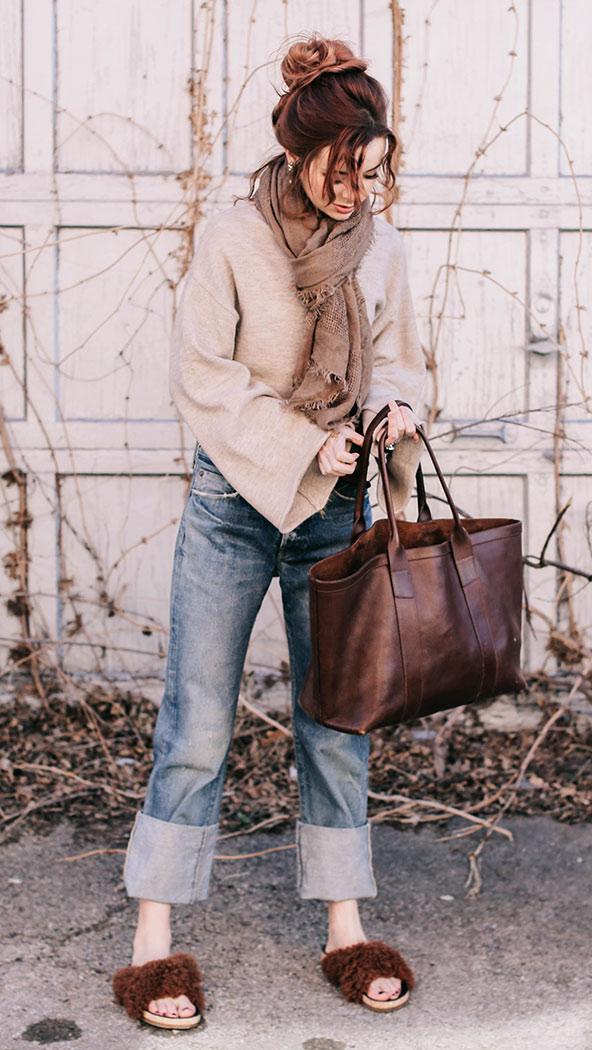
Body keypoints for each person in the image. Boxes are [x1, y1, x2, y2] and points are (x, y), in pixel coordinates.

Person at [112, 33, 426, 1030]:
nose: (360, 190)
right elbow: (203, 376)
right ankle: (153, 943)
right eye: (346, 169)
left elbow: (402, 357)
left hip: (335, 513)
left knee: (336, 721)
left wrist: (394, 410)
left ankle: (345, 930)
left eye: (374, 172)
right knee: (198, 719)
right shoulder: (232, 239)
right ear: (301, 152)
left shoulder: (382, 247)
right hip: (234, 507)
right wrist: (302, 444)